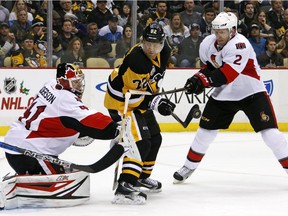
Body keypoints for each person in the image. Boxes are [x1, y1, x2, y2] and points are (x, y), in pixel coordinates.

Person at [173, 12, 288, 184]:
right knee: (205, 132)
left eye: (223, 32)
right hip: (223, 95)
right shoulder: (207, 43)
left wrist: (204, 81)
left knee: (270, 133)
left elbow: (227, 74)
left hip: (251, 93)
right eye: (216, 31)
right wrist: (197, 78)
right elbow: (209, 68)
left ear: (232, 31)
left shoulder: (240, 45)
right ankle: (189, 166)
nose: (218, 35)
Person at [0, 63, 131, 209]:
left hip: (19, 142)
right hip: (29, 151)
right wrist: (117, 129)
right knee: (62, 187)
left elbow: (60, 118)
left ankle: (24, 179)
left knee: (66, 177)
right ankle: (9, 190)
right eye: (75, 82)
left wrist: (73, 132)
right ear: (62, 81)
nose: (79, 85)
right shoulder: (65, 99)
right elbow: (92, 120)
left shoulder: (50, 85)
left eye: (79, 81)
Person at [104, 22, 175, 205]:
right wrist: (156, 102)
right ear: (142, 42)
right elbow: (132, 97)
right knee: (141, 142)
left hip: (139, 100)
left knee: (155, 138)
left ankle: (141, 177)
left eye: (156, 45)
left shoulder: (164, 51)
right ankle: (125, 185)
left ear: (162, 42)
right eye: (148, 44)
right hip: (122, 103)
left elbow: (153, 80)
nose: (152, 49)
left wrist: (156, 96)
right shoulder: (137, 61)